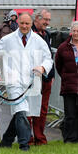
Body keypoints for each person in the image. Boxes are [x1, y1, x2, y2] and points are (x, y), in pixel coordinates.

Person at [0, 12, 53, 151]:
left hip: (32, 82)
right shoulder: (8, 39)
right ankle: (24, 144)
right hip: (13, 81)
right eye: (22, 23)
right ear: (18, 23)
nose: (24, 26)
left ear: (32, 24)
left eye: (27, 23)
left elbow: (48, 58)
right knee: (20, 111)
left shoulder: (38, 40)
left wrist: (42, 67)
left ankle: (6, 141)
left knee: (23, 111)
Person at [28, 8, 54, 145]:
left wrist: (52, 75)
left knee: (43, 109)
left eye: (49, 20)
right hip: (32, 77)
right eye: (45, 19)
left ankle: (40, 137)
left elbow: (49, 56)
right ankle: (28, 138)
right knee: (30, 109)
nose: (47, 22)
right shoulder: (29, 34)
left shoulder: (47, 34)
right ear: (37, 19)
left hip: (46, 77)